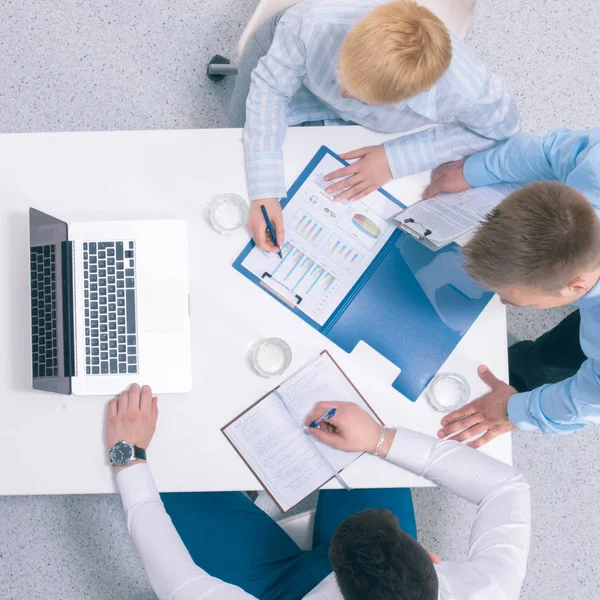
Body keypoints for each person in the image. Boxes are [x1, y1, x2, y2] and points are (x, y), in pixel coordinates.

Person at [107, 383, 530, 599]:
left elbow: (177, 584)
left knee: (168, 472)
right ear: (432, 562)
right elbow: (507, 488)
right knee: (366, 444)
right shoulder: (486, 591)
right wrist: (379, 438)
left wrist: (128, 455)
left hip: (279, 592)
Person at [231, 0, 520, 252]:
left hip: (368, 133)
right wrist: (264, 191)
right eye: (342, 77)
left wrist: (393, 158)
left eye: (358, 96)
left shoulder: (466, 89)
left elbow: (500, 131)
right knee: (234, 155)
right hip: (288, 80)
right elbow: (270, 91)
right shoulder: (312, 22)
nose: (342, 95)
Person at [425, 128, 600, 447]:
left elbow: (588, 401)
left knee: (573, 360)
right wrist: (473, 170)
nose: (503, 304)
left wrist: (514, 411)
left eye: (520, 302)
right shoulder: (594, 168)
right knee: (559, 350)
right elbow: (550, 151)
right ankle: (528, 367)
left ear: (575, 287)